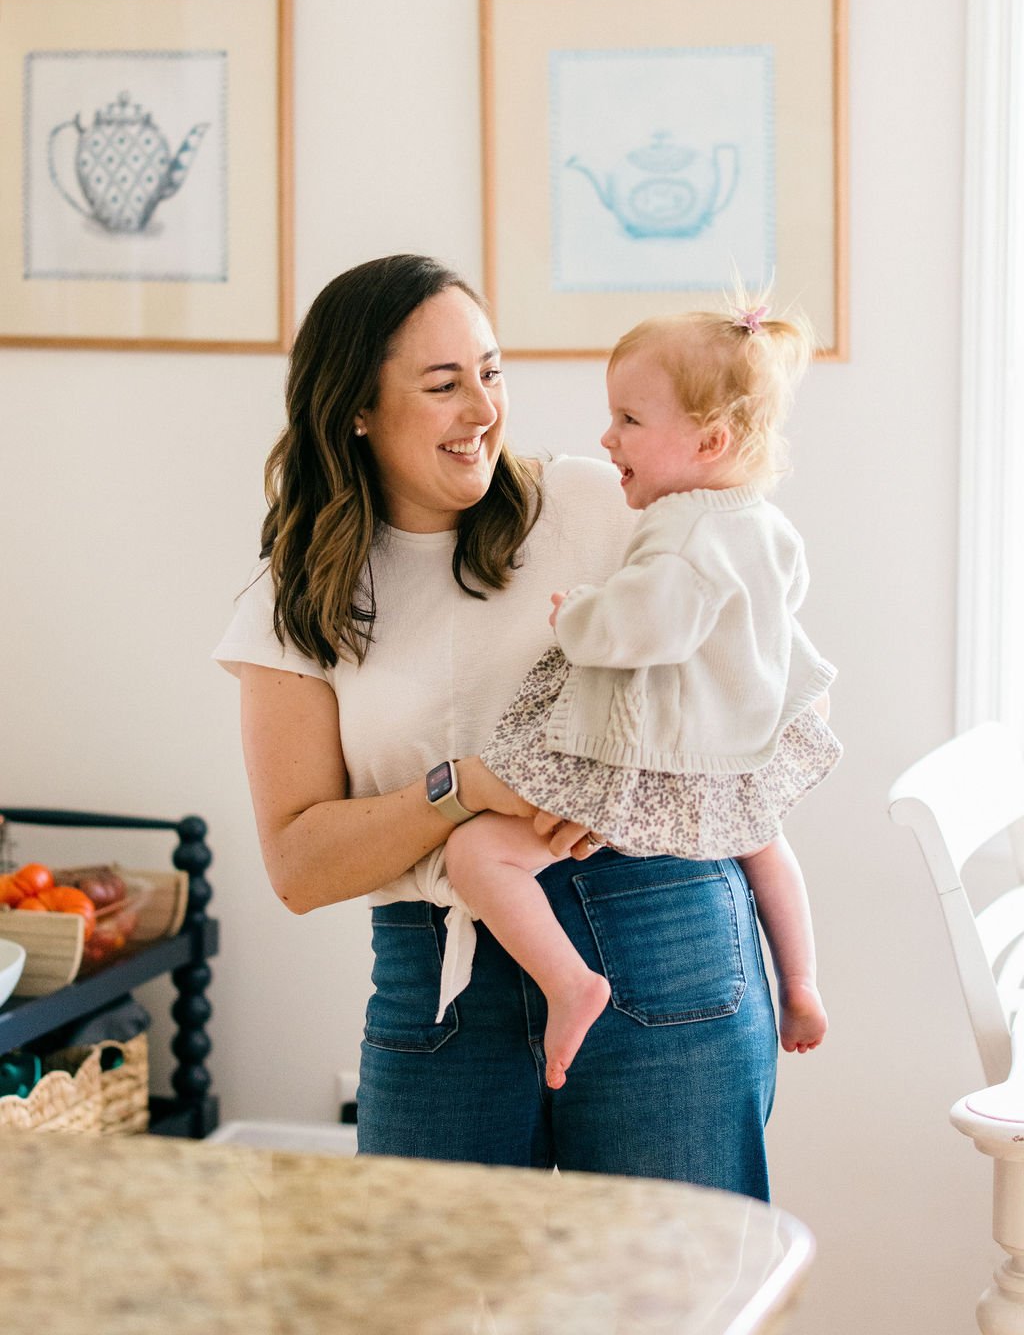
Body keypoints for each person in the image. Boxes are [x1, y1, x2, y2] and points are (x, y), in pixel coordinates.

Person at [213, 254, 778, 1199]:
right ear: (356, 407)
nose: (483, 408)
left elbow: (758, 670)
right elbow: (300, 865)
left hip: (656, 924)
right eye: (443, 385)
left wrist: (627, 783)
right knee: (420, 1298)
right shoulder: (299, 598)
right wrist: (464, 789)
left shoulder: (600, 506)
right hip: (441, 974)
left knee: (673, 1302)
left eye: (491, 370)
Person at [444, 298, 841, 1090]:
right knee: (766, 847)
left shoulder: (681, 528)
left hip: (648, 755)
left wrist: (579, 616)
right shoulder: (765, 527)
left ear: (710, 440)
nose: (607, 438)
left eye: (628, 419)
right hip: (727, 759)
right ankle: (800, 983)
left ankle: (569, 982)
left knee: (476, 851)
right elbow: (776, 636)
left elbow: (647, 626)